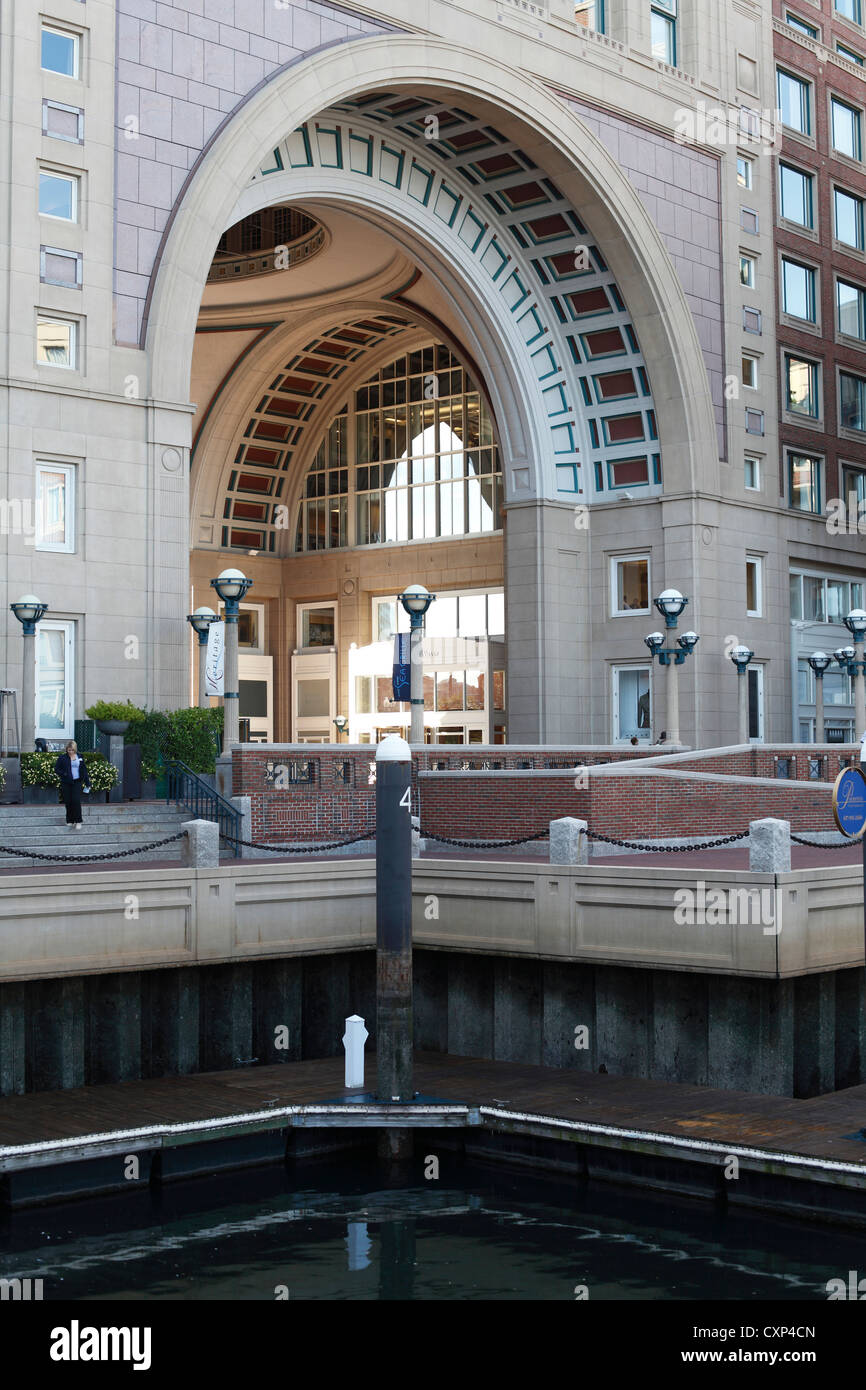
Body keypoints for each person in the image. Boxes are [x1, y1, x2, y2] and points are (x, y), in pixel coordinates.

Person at [54, 740, 91, 829]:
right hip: (66, 782)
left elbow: (84, 770)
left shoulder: (80, 756)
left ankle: (78, 821)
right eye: (69, 750)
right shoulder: (62, 758)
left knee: (76, 800)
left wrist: (87, 783)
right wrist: (64, 774)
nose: (70, 752)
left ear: (75, 749)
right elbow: (57, 769)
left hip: (77, 782)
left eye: (72, 750)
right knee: (68, 801)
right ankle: (70, 820)